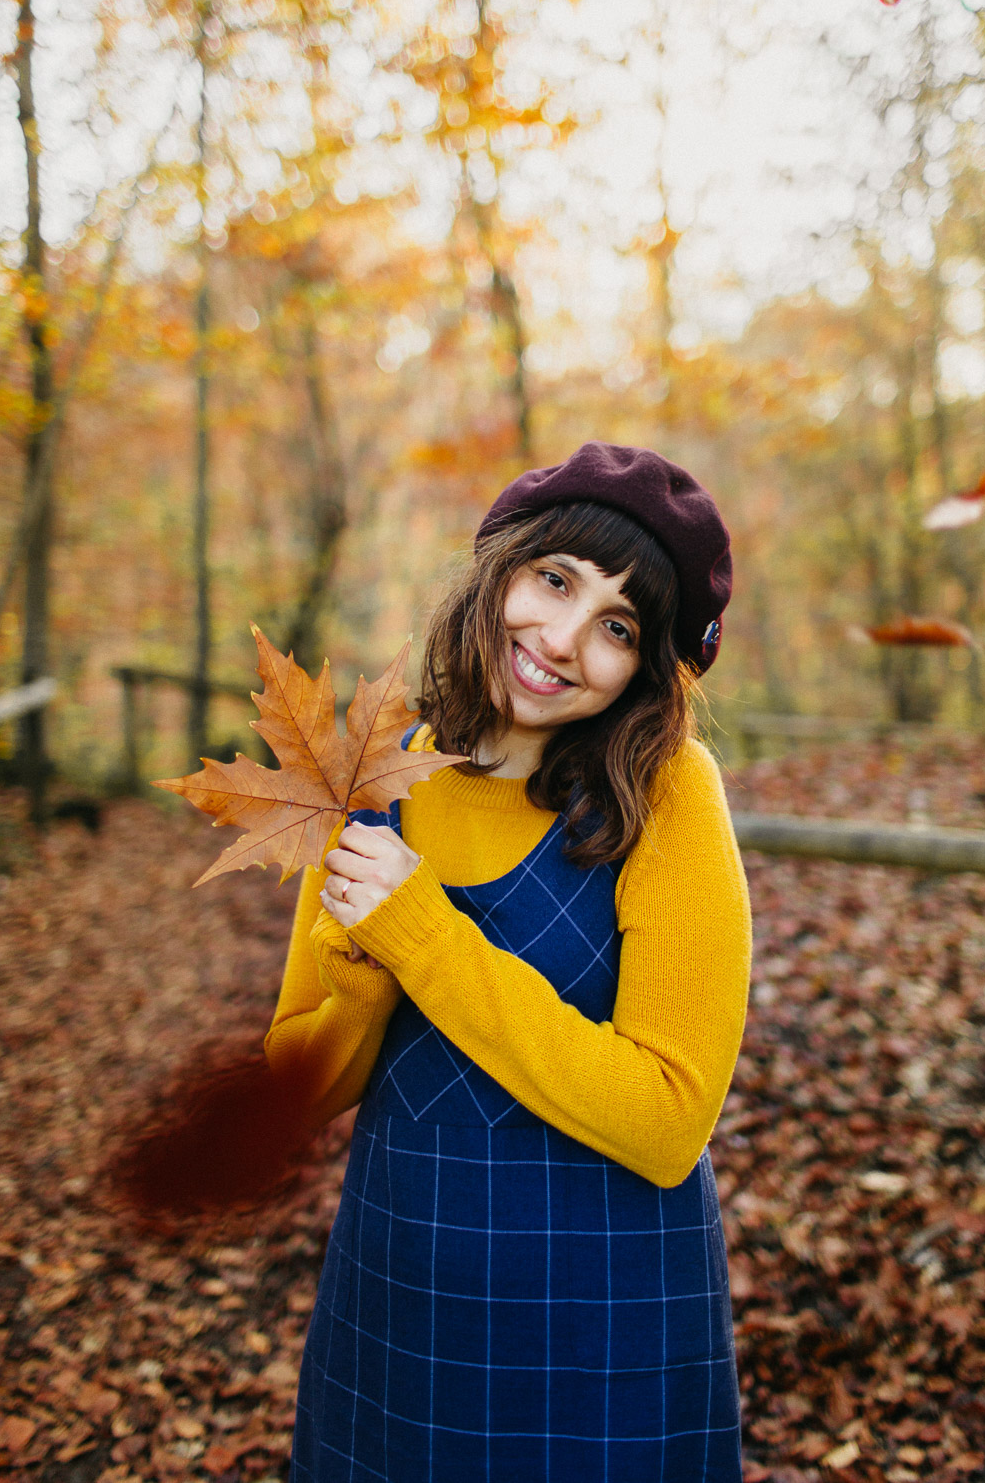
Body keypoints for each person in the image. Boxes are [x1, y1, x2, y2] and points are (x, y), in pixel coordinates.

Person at [266, 441, 752, 1482]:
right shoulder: (369, 769)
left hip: (609, 1318)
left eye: (617, 627)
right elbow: (293, 1086)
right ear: (499, 568)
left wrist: (421, 933)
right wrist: (357, 976)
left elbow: (669, 1118)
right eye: (555, 579)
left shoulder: (665, 791)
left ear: (648, 666)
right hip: (400, 1297)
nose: (563, 638)